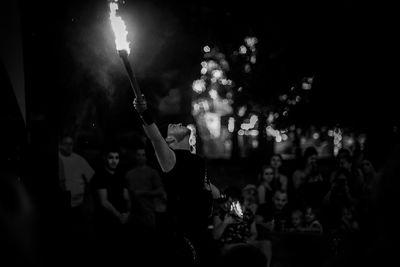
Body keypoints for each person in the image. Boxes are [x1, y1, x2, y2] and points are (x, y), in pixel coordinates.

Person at [133, 95, 214, 266]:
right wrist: (143, 112)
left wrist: (222, 198)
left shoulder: (197, 160)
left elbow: (205, 186)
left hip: (201, 229)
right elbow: (155, 137)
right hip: (181, 232)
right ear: (169, 140)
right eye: (172, 127)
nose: (176, 123)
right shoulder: (170, 159)